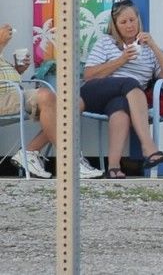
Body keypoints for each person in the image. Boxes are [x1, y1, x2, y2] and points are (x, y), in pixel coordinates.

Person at [81, 0, 163, 178]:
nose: (129, 25)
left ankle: (113, 167)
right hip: (95, 93)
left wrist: (154, 46)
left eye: (132, 20)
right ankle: (148, 147)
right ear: (115, 26)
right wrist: (121, 60)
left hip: (124, 99)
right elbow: (88, 75)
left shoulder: (148, 50)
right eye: (123, 22)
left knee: (120, 108)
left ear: (138, 20)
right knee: (131, 83)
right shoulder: (106, 42)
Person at [2, 23, 104, 179]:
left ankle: (30, 152)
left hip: (13, 94)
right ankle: (70, 161)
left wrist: (17, 70)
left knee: (72, 104)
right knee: (45, 96)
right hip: (4, 97)